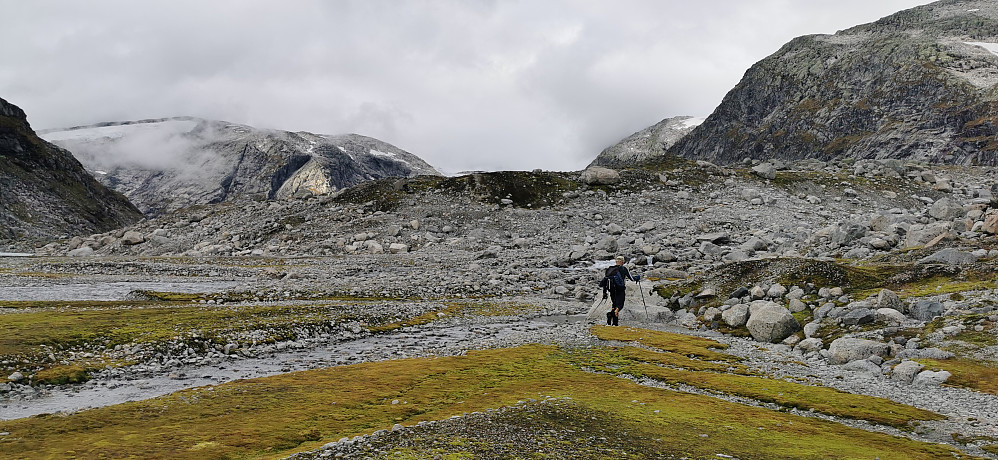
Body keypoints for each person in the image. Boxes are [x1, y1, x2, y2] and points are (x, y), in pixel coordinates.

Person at [600, 256, 640, 326]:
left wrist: (604, 292)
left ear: (616, 261)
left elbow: (605, 281)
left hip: (611, 289)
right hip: (620, 289)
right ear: (622, 262)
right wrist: (638, 277)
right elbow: (632, 278)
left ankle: (613, 320)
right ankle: (615, 315)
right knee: (620, 305)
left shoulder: (610, 269)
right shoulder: (623, 268)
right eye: (623, 261)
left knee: (614, 304)